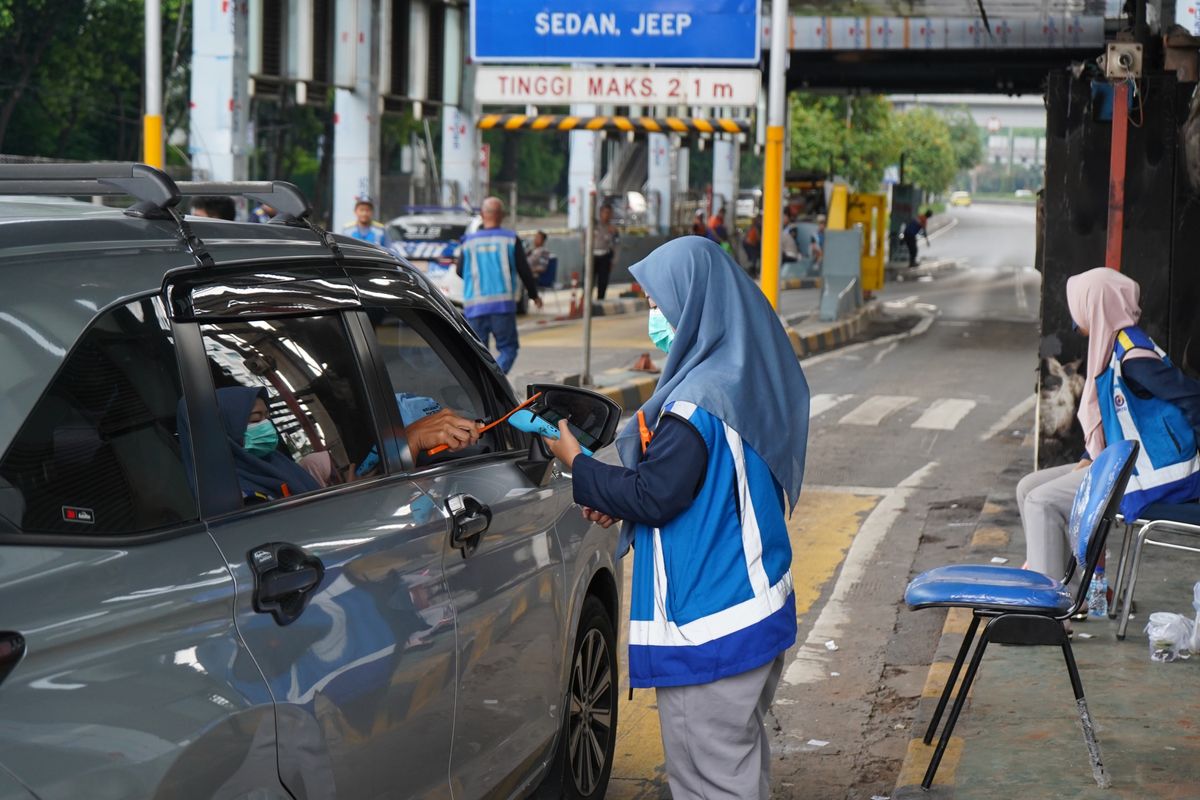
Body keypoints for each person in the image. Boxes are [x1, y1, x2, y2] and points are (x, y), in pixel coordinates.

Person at [544, 237, 810, 800]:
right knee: (739, 771)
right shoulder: (741, 382)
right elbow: (688, 489)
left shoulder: (695, 403)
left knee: (709, 782)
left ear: (693, 307)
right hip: (755, 609)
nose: (653, 317)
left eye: (660, 304)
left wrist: (578, 462)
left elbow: (658, 494)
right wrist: (617, 495)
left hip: (710, 624)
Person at [1018, 268, 1200, 603]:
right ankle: (1065, 591)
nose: (1076, 324)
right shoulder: (1116, 346)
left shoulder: (1134, 359)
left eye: (1081, 310)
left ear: (1098, 306)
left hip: (1152, 476)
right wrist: (1090, 457)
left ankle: (1043, 608)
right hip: (1127, 464)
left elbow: (1191, 398)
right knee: (1028, 486)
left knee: (1042, 501)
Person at [456, 196, 543, 374]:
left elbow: (459, 271)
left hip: (475, 308)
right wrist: (534, 295)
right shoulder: (510, 239)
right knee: (508, 349)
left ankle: (485, 390)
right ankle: (497, 384)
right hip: (502, 307)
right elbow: (524, 270)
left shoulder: (469, 241)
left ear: (482, 214)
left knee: (479, 355)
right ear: (502, 215)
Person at [591, 203, 619, 300]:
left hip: (605, 256)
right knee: (589, 280)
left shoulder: (613, 229)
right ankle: (586, 301)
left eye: (609, 213)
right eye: (605, 212)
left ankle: (600, 299)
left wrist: (614, 261)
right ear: (600, 213)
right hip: (592, 256)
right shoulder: (593, 226)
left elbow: (616, 245)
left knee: (603, 281)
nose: (606, 215)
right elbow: (584, 239)